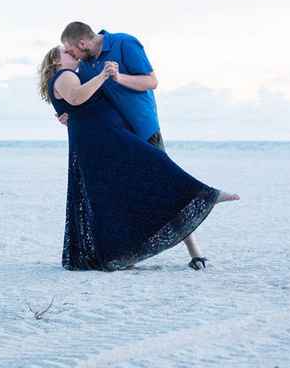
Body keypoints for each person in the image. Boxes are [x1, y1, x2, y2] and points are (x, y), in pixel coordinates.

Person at [39, 46, 239, 271]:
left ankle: (126, 252)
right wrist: (104, 75)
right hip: (104, 139)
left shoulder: (75, 73)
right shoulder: (65, 75)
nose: (72, 53)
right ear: (56, 61)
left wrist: (69, 113)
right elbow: (75, 98)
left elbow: (73, 103)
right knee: (155, 167)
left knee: (120, 193)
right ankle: (204, 195)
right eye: (66, 52)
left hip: (103, 138)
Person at [60, 21, 207, 270]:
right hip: (115, 137)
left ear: (82, 43)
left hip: (143, 129)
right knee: (122, 196)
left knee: (166, 188)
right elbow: (83, 96)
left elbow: (151, 81)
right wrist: (66, 114)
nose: (71, 54)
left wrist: (118, 77)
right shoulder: (85, 64)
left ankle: (196, 252)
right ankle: (128, 254)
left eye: (71, 49)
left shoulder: (124, 43)